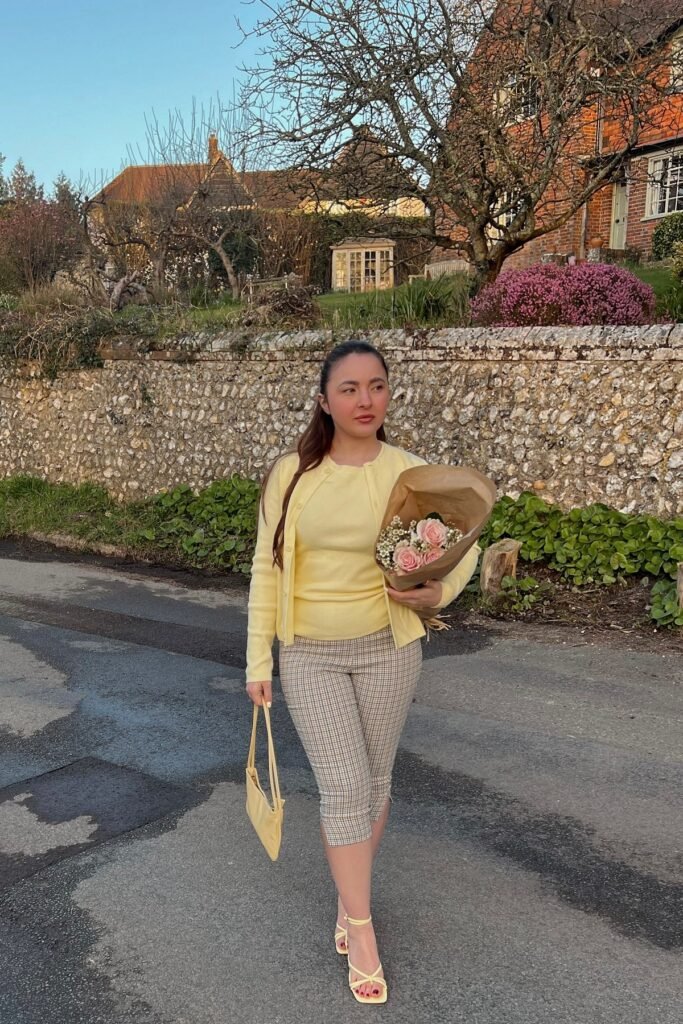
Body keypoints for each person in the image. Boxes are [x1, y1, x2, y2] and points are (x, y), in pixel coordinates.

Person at [245, 339, 481, 1004]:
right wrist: (258, 659)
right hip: (310, 653)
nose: (365, 399)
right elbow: (266, 566)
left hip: (388, 648)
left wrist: (439, 591)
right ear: (324, 400)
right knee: (344, 787)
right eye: (348, 388)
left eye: (376, 385)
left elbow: (463, 542)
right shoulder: (292, 474)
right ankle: (362, 927)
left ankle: (349, 899)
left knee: (375, 783)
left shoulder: (409, 473)